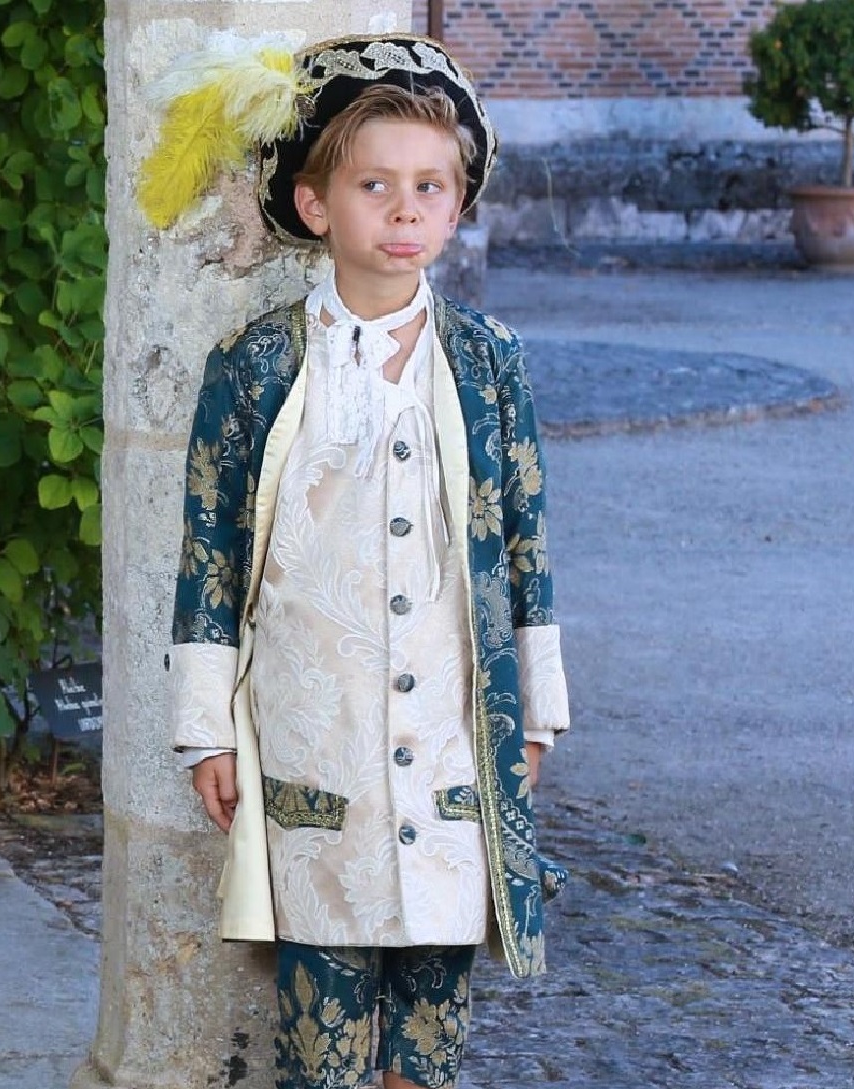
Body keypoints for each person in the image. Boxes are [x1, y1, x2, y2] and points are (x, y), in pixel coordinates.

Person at [153, 35, 574, 1089]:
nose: (402, 210)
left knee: (429, 1038)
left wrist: (534, 714)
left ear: (457, 202)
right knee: (323, 1034)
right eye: (374, 184)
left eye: (428, 187)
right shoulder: (253, 368)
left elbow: (525, 537)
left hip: (449, 740)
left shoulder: (488, 361)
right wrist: (205, 729)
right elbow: (208, 549)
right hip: (311, 734)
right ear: (313, 205)